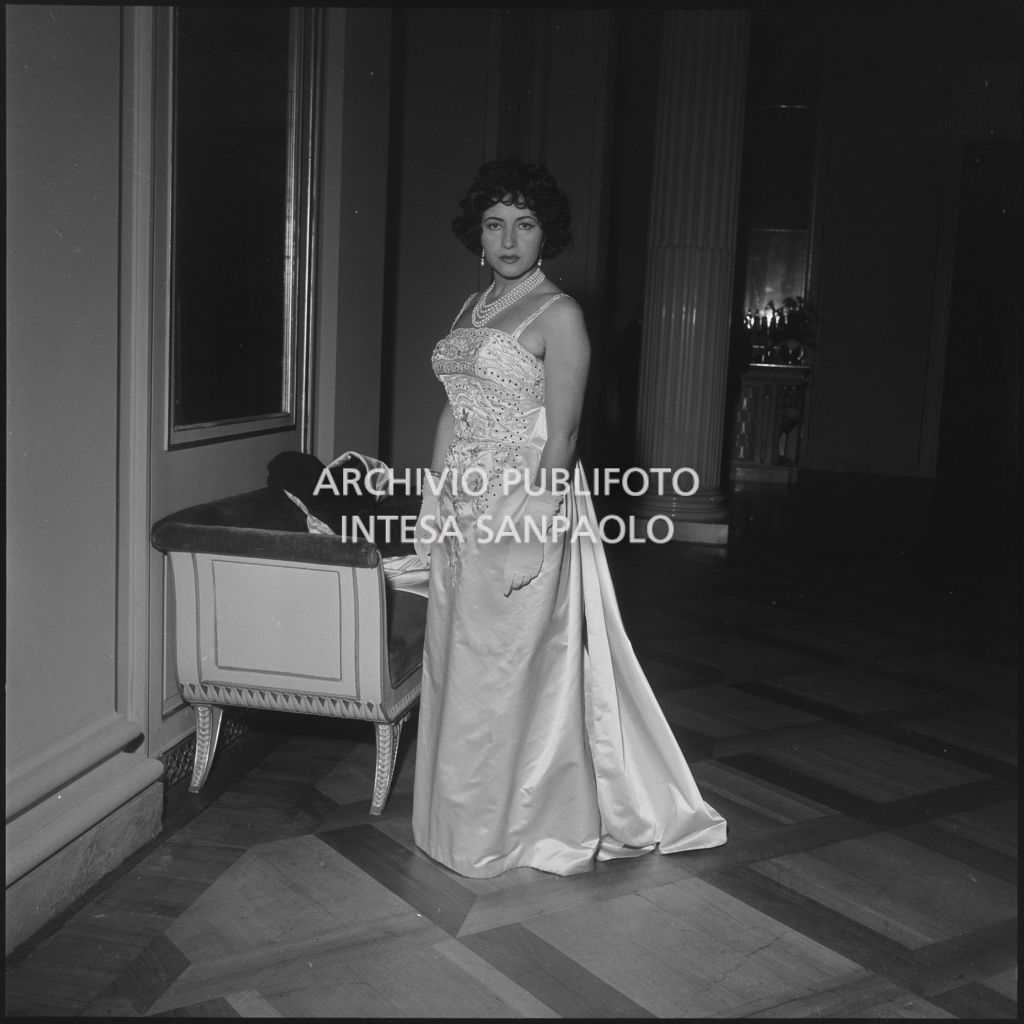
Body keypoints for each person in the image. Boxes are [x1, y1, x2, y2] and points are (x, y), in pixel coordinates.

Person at [411, 158, 726, 877]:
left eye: (524, 224)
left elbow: (564, 435)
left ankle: (512, 833)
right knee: (458, 662)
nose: (509, 238)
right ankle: (454, 827)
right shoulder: (473, 308)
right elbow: (453, 411)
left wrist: (530, 531)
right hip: (463, 509)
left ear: (546, 231)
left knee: (505, 671)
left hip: (523, 502)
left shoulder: (559, 312)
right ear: (478, 235)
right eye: (495, 225)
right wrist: (433, 502)